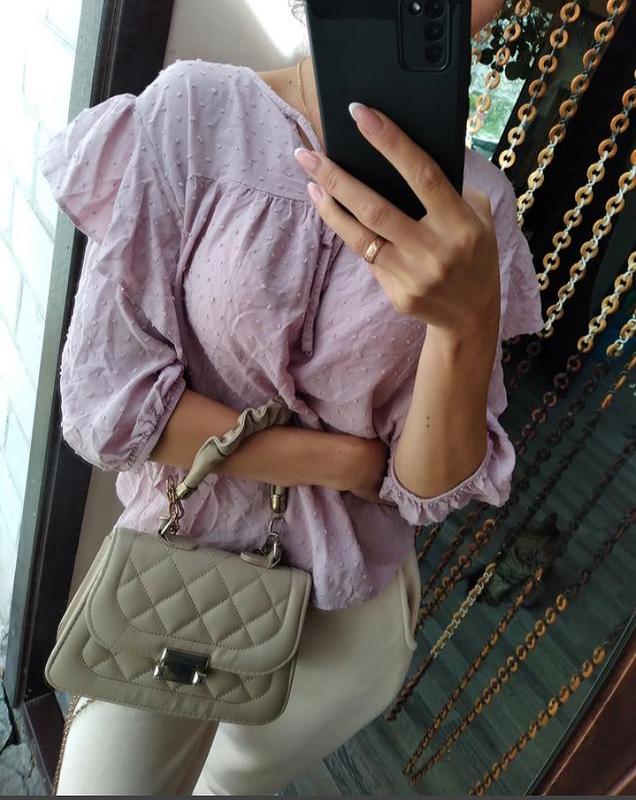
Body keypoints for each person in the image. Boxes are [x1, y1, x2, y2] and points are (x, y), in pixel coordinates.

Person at [38, 0, 544, 793]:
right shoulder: (197, 111)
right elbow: (109, 405)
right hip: (180, 573)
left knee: (231, 790)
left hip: (351, 613)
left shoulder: (480, 213)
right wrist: (347, 464)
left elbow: (426, 489)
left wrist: (466, 324)